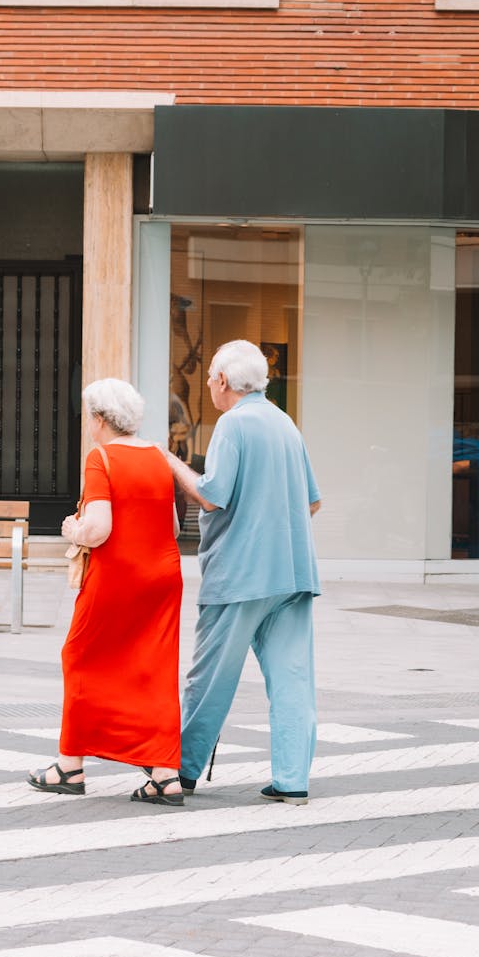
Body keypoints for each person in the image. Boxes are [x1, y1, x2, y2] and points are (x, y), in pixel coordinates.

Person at [164, 340, 321, 805]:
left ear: (224, 382)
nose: (210, 384)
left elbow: (213, 495)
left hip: (240, 575)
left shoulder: (232, 424)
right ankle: (292, 780)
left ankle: (182, 771)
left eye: (212, 377)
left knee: (210, 677)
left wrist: (170, 462)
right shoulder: (285, 424)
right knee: (292, 679)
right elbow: (312, 502)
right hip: (293, 573)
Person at [28, 377, 184, 807]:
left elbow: (98, 530)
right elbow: (171, 526)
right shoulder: (157, 455)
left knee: (79, 657)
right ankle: (166, 775)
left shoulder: (101, 458)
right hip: (164, 577)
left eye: (89, 418)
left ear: (99, 420)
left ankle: (69, 767)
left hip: (118, 579)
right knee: (153, 668)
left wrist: (71, 528)